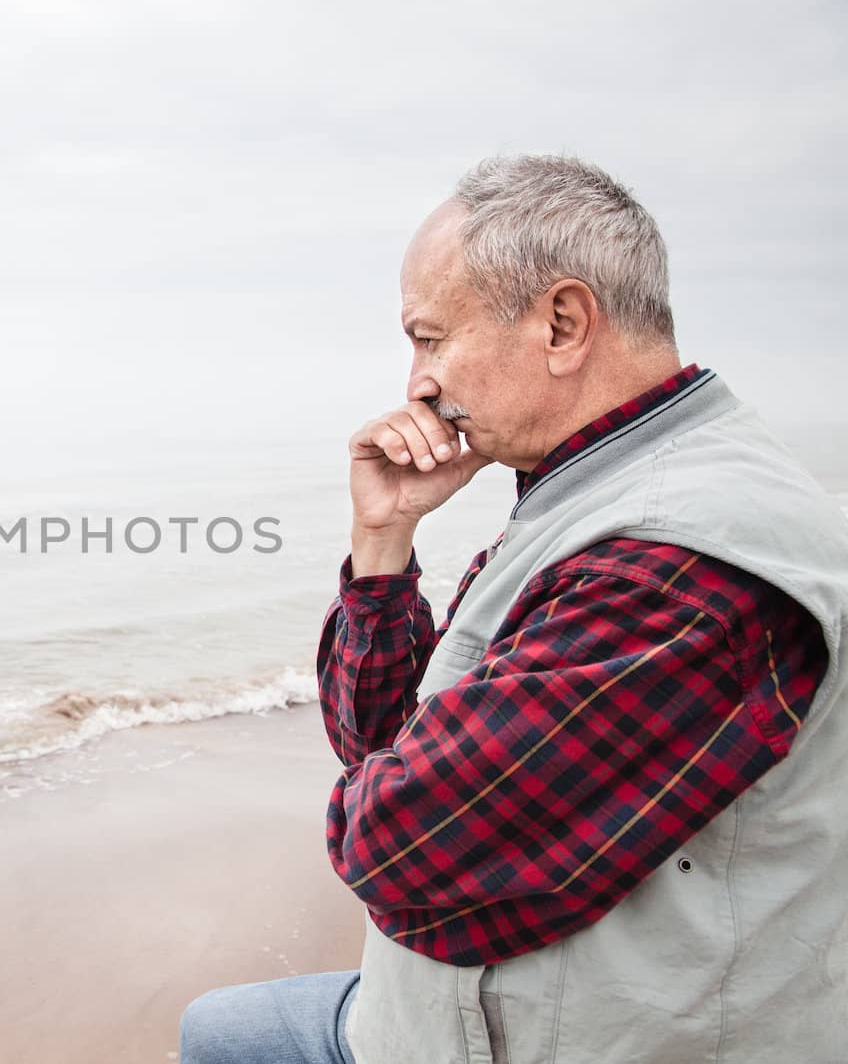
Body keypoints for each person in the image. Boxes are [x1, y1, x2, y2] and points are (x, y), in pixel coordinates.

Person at [178, 155, 848, 1064]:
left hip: (571, 1040)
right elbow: (379, 741)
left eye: (430, 337)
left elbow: (398, 849)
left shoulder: (672, 565)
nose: (416, 383)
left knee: (223, 1036)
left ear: (563, 324)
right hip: (445, 1021)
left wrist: (398, 784)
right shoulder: (601, 488)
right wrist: (383, 541)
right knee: (217, 1026)